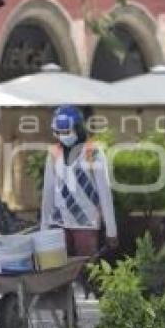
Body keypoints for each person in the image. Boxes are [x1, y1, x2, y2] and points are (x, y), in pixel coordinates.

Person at [40, 105, 118, 256]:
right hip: (59, 224)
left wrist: (111, 230)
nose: (63, 135)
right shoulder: (54, 153)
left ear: (78, 128)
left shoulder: (93, 152)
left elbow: (105, 193)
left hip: (86, 224)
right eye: (58, 132)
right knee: (60, 271)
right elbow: (48, 193)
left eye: (66, 131)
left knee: (86, 270)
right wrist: (44, 228)